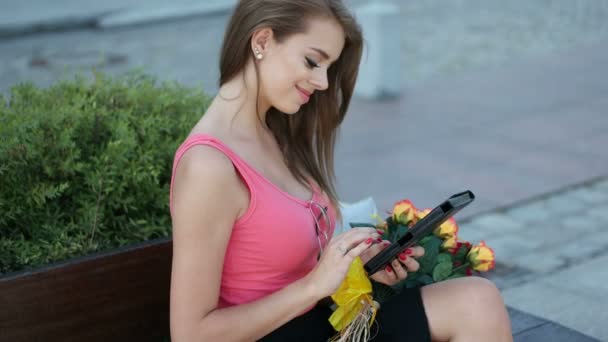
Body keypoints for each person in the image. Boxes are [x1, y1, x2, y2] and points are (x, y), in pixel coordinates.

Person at [169, 0, 513, 341]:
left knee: (476, 302)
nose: (321, 82)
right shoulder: (209, 167)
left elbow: (289, 262)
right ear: (261, 41)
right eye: (312, 61)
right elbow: (191, 335)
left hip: (320, 322)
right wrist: (313, 286)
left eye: (328, 69)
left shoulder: (274, 133)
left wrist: (358, 266)